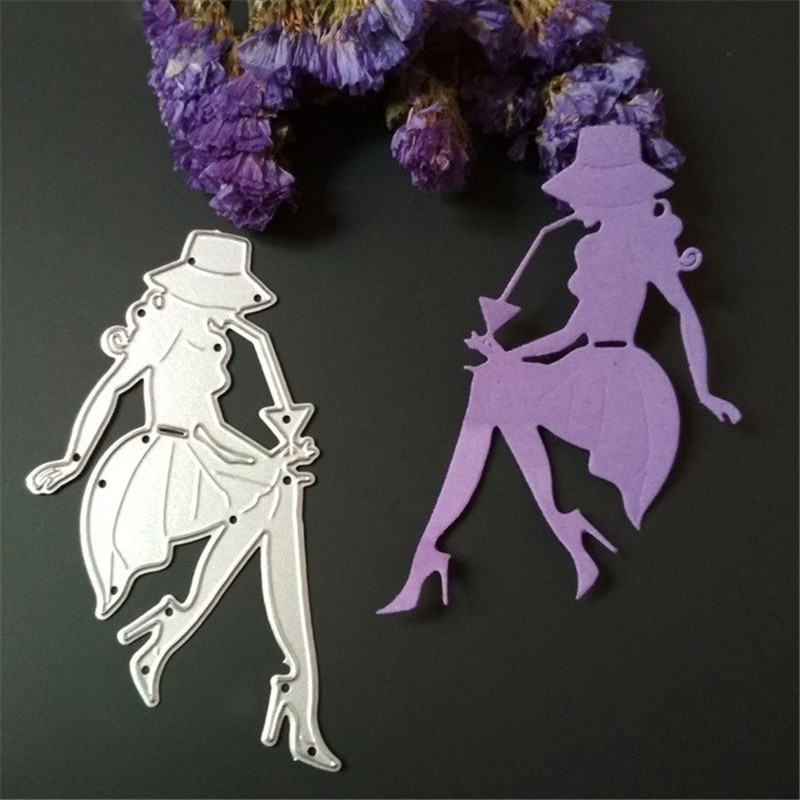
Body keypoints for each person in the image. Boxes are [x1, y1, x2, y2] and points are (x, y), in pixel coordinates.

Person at [379, 124, 741, 614]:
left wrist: (705, 391)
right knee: (492, 384)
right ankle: (542, 531)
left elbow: (684, 312)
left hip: (621, 381)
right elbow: (572, 332)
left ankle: (471, 543)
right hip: (584, 364)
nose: (574, 203)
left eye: (585, 191)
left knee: (495, 393)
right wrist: (506, 354)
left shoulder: (642, 244)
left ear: (612, 193)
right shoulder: (587, 249)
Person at [26, 230, 340, 771]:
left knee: (280, 497)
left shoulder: (221, 339)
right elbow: (112, 389)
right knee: (277, 499)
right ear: (199, 292)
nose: (236, 312)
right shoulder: (163, 327)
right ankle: (278, 677)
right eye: (228, 299)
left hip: (208, 450)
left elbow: (213, 426)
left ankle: (216, 644)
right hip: (169, 461)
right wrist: (73, 461)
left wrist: (277, 456)